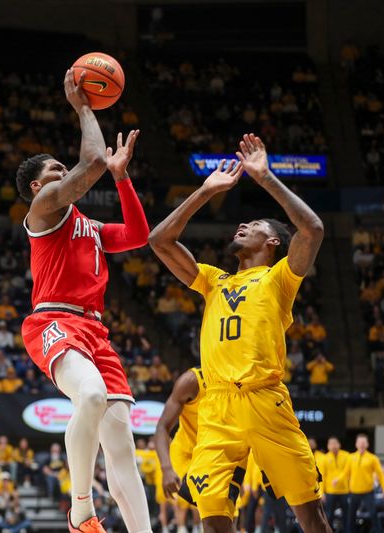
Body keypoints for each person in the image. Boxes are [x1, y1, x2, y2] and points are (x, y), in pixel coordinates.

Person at [148, 133, 330, 533]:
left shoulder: (279, 278)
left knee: (310, 515)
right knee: (211, 519)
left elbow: (313, 229)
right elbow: (158, 240)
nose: (242, 224)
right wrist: (204, 190)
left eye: (255, 224)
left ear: (273, 241)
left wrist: (265, 177)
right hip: (217, 408)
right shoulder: (213, 281)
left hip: (265, 401)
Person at [16, 69, 150, 533]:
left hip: (96, 331)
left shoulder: (89, 226)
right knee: (90, 395)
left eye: (61, 167)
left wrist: (122, 177)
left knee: (123, 448)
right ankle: (79, 511)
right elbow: (90, 161)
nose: (62, 173)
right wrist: (83, 108)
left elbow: (137, 234)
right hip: (53, 319)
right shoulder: (44, 210)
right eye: (54, 170)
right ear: (38, 187)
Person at [153, 367, 206, 533]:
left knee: (225, 511)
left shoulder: (238, 381)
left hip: (213, 454)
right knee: (184, 503)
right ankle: (180, 528)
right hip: (185, 454)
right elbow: (162, 427)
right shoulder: (191, 380)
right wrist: (166, 468)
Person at [337, 434, 384, 533]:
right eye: (360, 442)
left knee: (373, 514)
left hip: (368, 492)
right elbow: (345, 472)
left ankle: (378, 531)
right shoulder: (351, 457)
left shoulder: (373, 458)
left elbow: (380, 474)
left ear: (367, 444)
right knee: (351, 516)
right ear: (356, 444)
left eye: (364, 442)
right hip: (354, 492)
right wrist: (337, 480)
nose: (362, 444)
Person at [318, 436, 349, 530]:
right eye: (331, 444)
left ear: (339, 444)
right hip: (330, 491)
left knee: (346, 515)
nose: (334, 445)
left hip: (344, 490)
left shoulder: (346, 455)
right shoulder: (324, 458)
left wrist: (339, 479)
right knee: (329, 515)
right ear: (328, 446)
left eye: (335, 443)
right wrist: (322, 492)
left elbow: (347, 470)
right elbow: (321, 476)